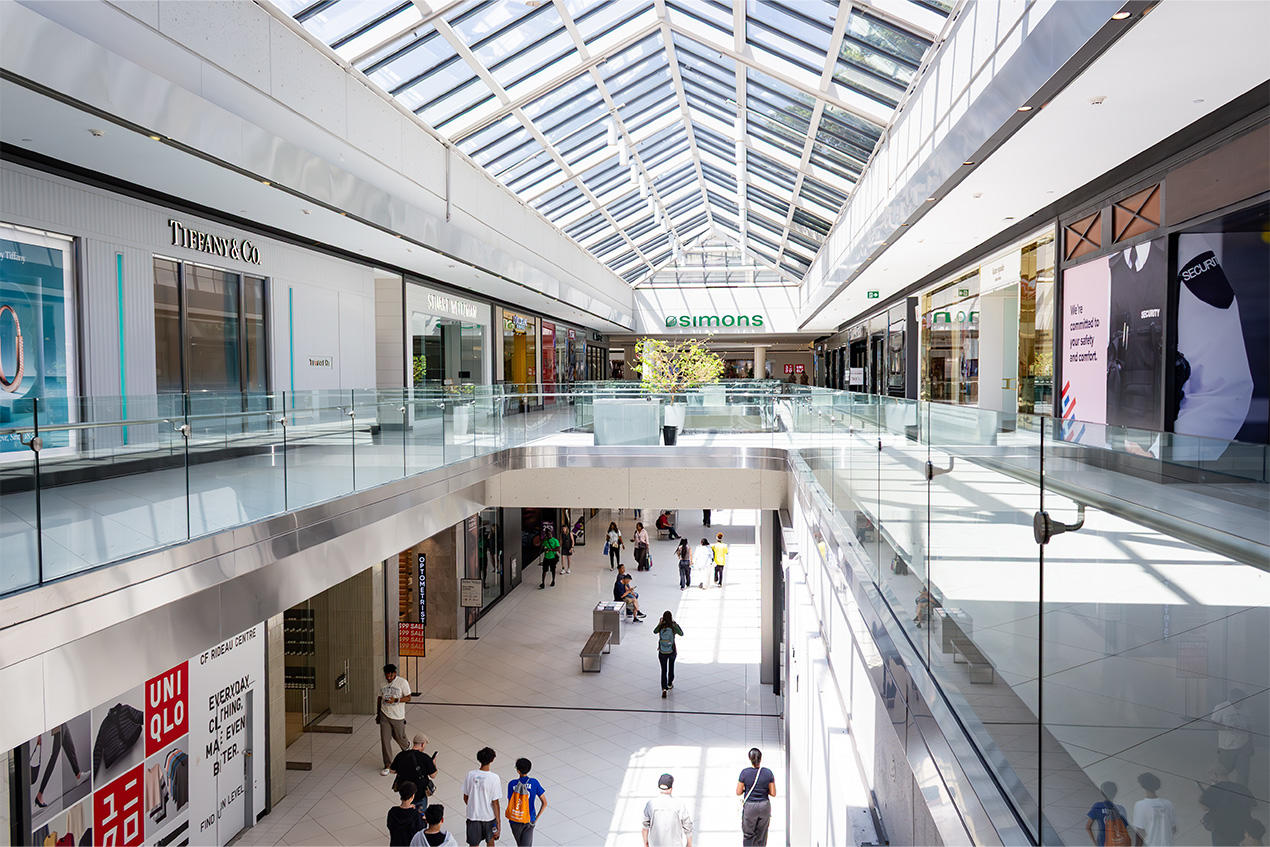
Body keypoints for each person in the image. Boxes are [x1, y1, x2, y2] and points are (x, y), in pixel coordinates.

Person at [33, 724, 85, 808]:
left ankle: (78, 775)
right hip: (58, 725)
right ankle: (40, 795)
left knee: (70, 749)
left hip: (61, 723)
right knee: (54, 758)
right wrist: (39, 735)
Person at [1211, 689, 1253, 787]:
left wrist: (1251, 744)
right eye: (1238, 699)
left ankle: (1242, 794)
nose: (1240, 702)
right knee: (1223, 771)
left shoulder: (1246, 709)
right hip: (1226, 747)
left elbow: (1250, 727)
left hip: (1244, 745)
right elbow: (1213, 724)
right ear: (1231, 698)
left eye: (1242, 699)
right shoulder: (1221, 707)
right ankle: (1218, 789)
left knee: (1244, 773)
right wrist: (1226, 727)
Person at [737, 748, 776, 846]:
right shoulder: (768, 772)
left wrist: (745, 789)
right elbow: (773, 793)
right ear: (761, 758)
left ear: (750, 758)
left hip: (750, 807)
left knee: (748, 835)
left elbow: (738, 792)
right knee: (762, 835)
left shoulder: (744, 773)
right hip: (764, 806)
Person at [463, 747, 501, 847]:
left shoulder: (470, 775)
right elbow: (495, 803)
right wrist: (498, 822)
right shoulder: (494, 778)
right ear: (492, 760)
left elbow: (465, 797)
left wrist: (474, 806)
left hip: (473, 817)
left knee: (473, 844)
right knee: (490, 842)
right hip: (489, 817)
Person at [378, 664, 413, 776]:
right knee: (385, 739)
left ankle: (408, 750)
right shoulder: (382, 683)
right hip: (384, 715)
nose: (389, 677)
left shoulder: (402, 682)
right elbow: (379, 698)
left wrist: (396, 700)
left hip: (398, 716)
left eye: (391, 675)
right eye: (387, 675)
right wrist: (378, 714)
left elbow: (408, 697)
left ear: (395, 673)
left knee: (400, 737)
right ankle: (388, 764)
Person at [504, 757, 547, 847]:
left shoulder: (512, 784)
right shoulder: (534, 782)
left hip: (515, 820)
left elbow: (510, 802)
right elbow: (544, 803)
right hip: (529, 819)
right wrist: (535, 818)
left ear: (518, 771)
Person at [642, 773, 693, 847]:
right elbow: (688, 826)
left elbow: (644, 828)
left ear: (659, 787)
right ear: (671, 788)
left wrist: (646, 844)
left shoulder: (650, 804)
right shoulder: (679, 804)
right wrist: (689, 844)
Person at [1131, 772, 1175, 847]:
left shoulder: (1140, 805)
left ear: (1142, 786)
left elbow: (1140, 831)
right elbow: (1173, 828)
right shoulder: (1168, 804)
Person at [391, 734, 438, 805]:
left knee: (407, 809)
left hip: (405, 790)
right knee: (420, 813)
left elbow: (392, 771)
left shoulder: (401, 755)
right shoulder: (425, 758)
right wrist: (433, 763)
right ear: (422, 744)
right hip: (419, 792)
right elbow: (433, 775)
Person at [1085, 781, 1132, 847]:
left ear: (1102, 792)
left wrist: (1095, 843)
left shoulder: (1097, 806)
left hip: (1103, 842)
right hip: (1118, 843)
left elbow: (1088, 827)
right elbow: (1124, 828)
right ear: (1116, 793)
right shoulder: (1121, 809)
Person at [653, 611, 683, 698]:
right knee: (671, 667)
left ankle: (664, 689)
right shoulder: (673, 626)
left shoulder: (661, 626)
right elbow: (681, 633)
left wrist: (660, 623)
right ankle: (669, 683)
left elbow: (654, 631)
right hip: (672, 651)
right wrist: (675, 624)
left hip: (662, 651)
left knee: (663, 670)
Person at [388, 782, 425, 846]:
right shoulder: (416, 815)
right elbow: (421, 830)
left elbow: (390, 826)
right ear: (413, 796)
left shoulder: (392, 812)